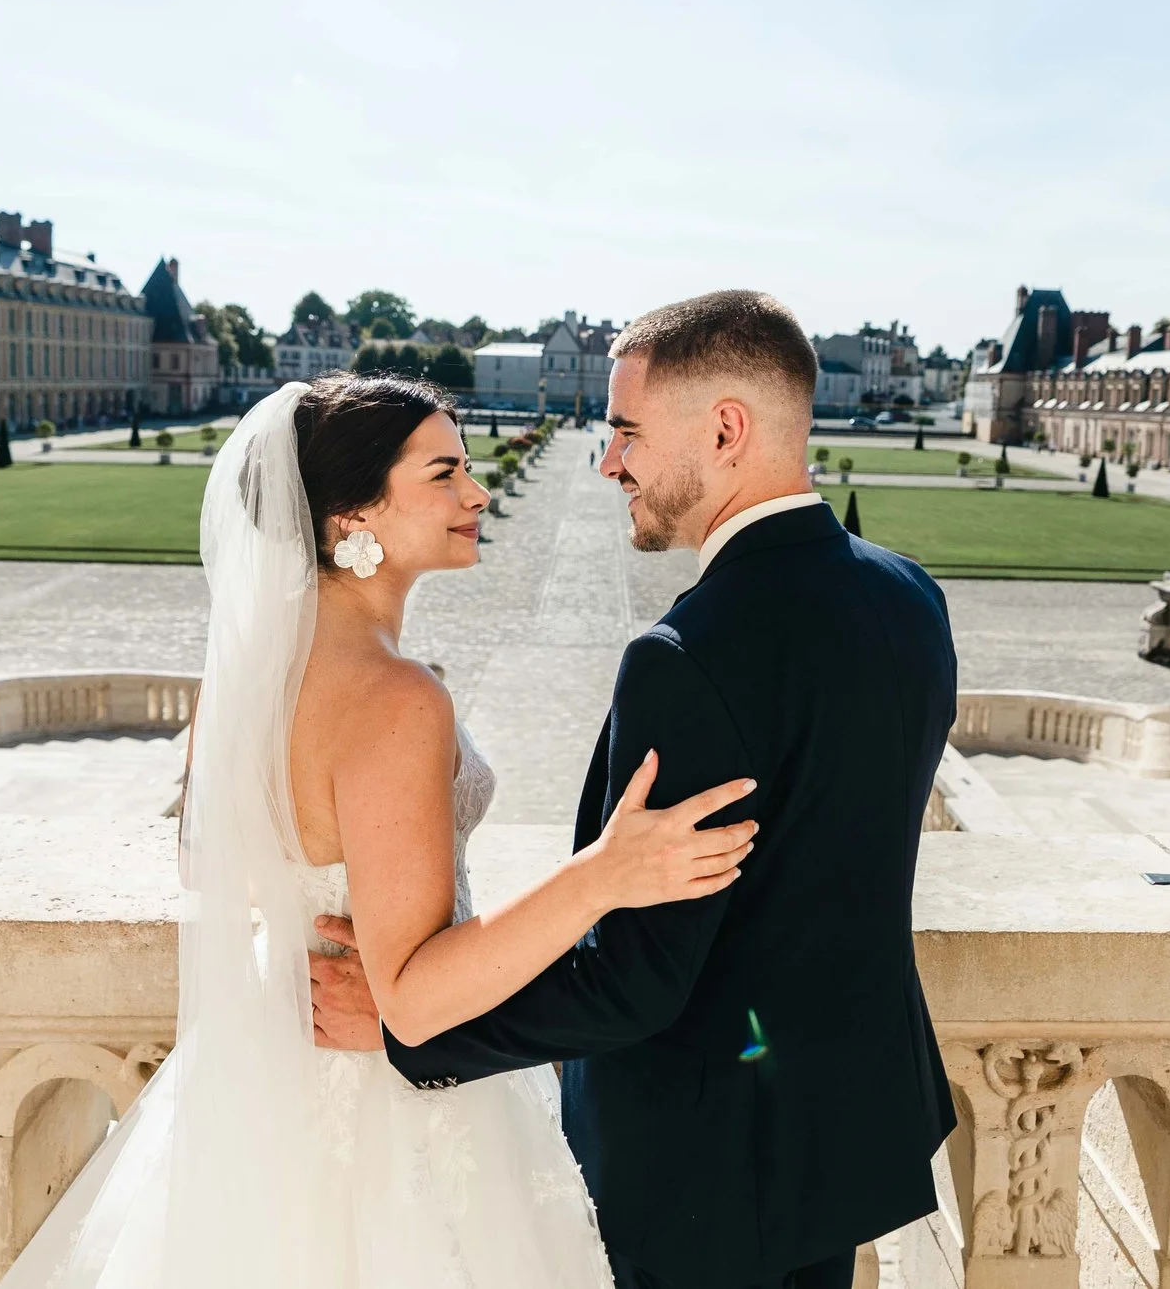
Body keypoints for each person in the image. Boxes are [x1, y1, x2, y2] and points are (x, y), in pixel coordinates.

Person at [0, 372, 754, 1289]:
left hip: (273, 1077)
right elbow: (414, 999)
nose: (477, 493)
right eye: (444, 474)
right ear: (353, 516)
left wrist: (313, 912)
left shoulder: (254, 674)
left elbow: (207, 860)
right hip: (394, 1105)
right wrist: (603, 872)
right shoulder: (396, 697)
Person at [312, 291, 960, 1289]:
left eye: (625, 432)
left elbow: (638, 979)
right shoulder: (910, 596)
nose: (607, 460)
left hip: (701, 1167)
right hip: (838, 1131)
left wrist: (412, 1029)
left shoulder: (688, 657)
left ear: (726, 428)